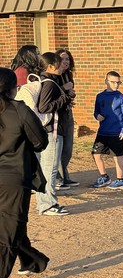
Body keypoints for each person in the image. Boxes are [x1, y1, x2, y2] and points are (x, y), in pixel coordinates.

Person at [0, 68, 49, 278]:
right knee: (10, 226)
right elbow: (40, 141)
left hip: (10, 177)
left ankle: (31, 260)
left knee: (11, 223)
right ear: (12, 88)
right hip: (13, 177)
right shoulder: (18, 109)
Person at [35, 53, 74, 216]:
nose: (61, 66)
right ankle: (47, 204)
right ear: (50, 66)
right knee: (49, 169)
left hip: (48, 130)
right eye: (58, 64)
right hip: (52, 131)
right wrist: (65, 98)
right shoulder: (50, 83)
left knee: (46, 169)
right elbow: (44, 107)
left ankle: (46, 202)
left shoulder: (44, 80)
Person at [91, 71, 123, 189]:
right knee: (96, 154)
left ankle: (120, 180)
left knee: (117, 155)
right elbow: (96, 111)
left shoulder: (121, 97)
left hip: (116, 132)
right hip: (103, 131)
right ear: (106, 82)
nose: (116, 85)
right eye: (113, 82)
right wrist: (97, 116)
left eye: (118, 83)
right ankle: (104, 177)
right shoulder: (100, 96)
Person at [55, 49, 78, 189]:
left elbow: (68, 94)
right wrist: (64, 88)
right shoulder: (54, 76)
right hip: (57, 116)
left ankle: (65, 176)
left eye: (68, 59)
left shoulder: (68, 75)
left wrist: (71, 96)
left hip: (68, 113)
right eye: (63, 59)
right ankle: (58, 178)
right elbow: (50, 93)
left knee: (68, 148)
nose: (66, 62)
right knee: (58, 147)